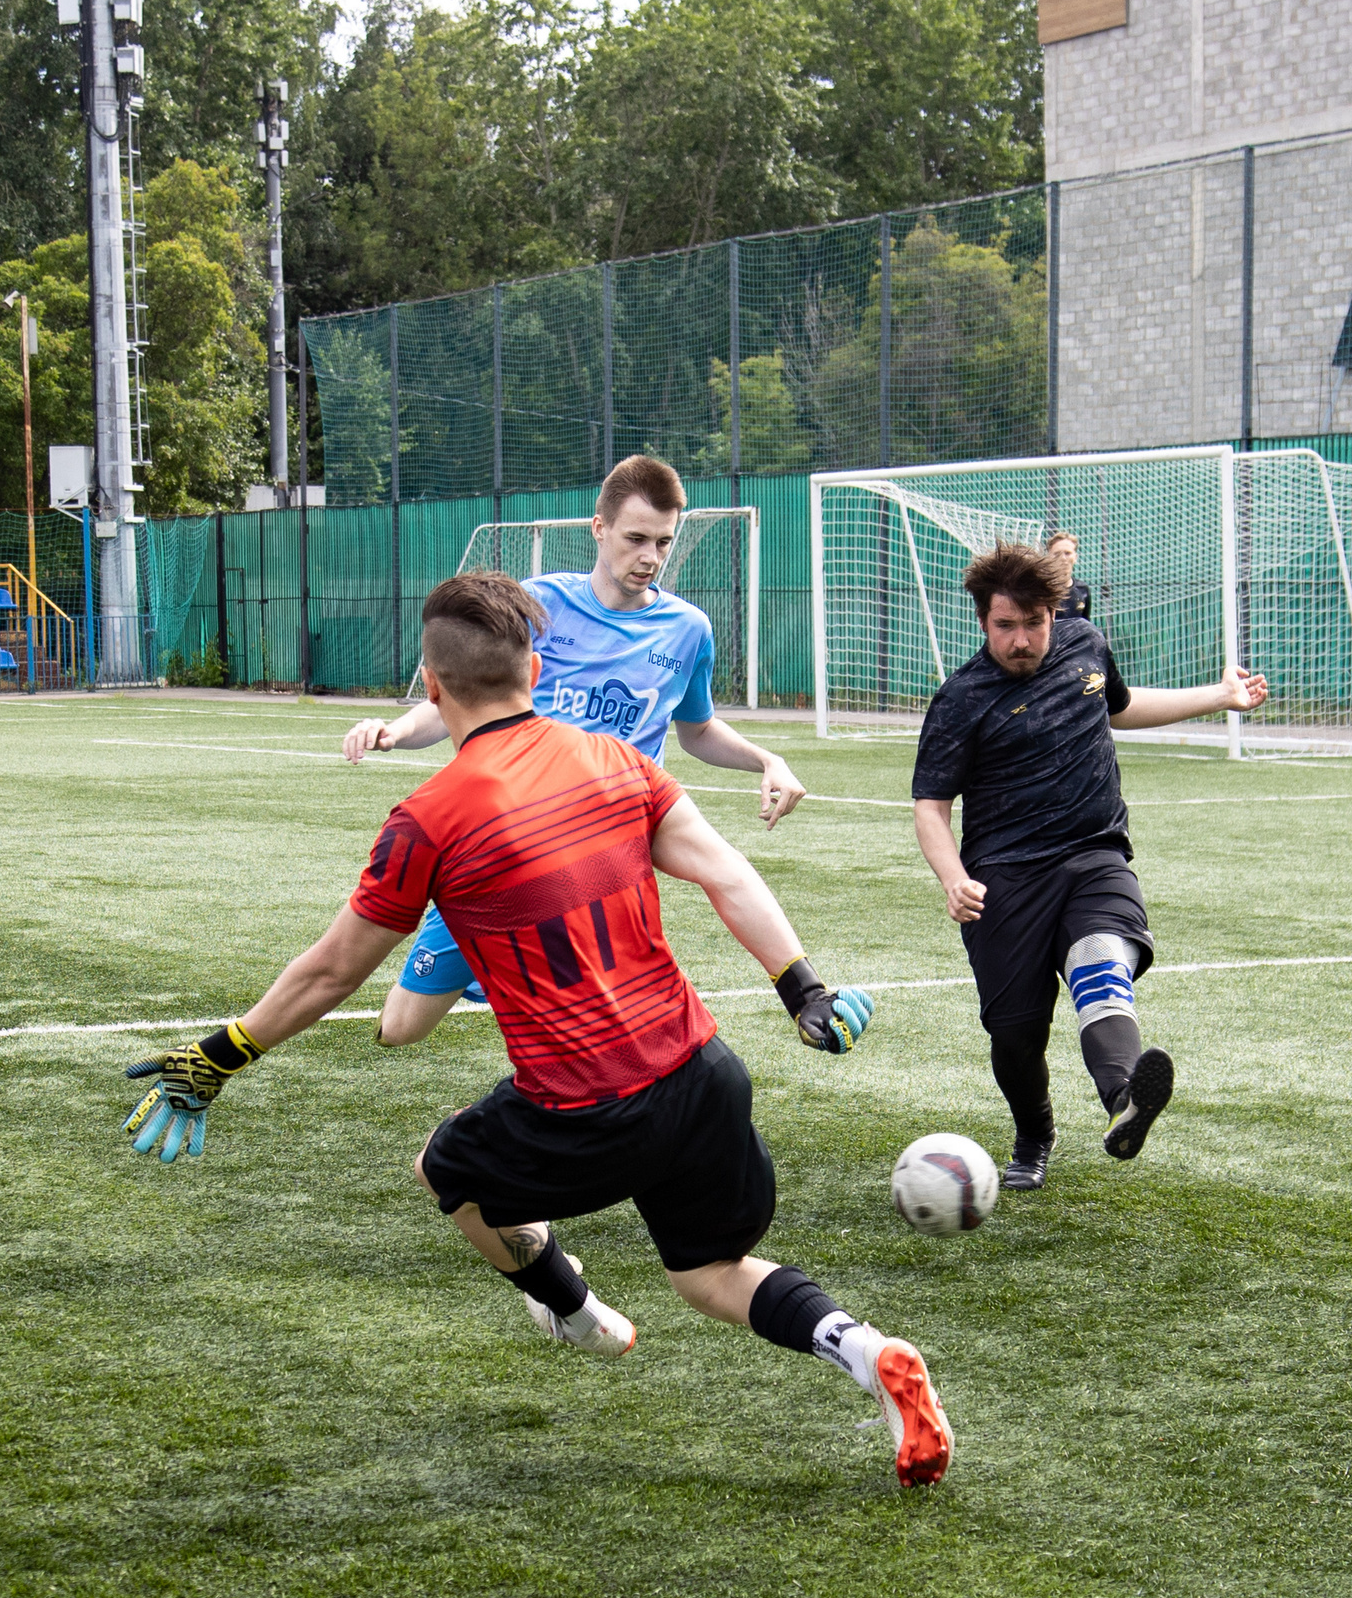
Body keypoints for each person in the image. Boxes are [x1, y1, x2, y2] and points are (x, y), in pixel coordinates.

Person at [119, 571, 954, 1489]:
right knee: (713, 1270)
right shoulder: (622, 763)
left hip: (585, 1108)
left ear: (430, 687)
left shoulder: (426, 819)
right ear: (537, 664)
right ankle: (865, 1350)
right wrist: (804, 990)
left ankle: (574, 1308)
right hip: (703, 1071)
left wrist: (221, 1053)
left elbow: (331, 970)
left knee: (446, 1168)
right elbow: (727, 874)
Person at [340, 456, 808, 1047]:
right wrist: (395, 732)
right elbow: (457, 699)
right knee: (399, 1029)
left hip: (610, 837)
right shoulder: (539, 605)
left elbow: (697, 729)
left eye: (664, 542)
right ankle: (489, 966)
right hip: (509, 834)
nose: (650, 557)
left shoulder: (688, 629)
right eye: (636, 538)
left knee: (606, 1022)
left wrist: (767, 759)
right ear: (599, 529)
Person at [911, 543, 1267, 1192]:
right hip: (1004, 875)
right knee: (1016, 1035)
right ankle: (1034, 1134)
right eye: (1005, 626)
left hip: (1094, 852)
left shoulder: (1086, 643)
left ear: (1055, 612)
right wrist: (951, 876)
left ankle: (1126, 1094)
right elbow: (931, 806)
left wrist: (1219, 695)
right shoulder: (962, 697)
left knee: (1101, 957)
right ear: (982, 621)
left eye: (1034, 623)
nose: (1022, 639)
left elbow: (1119, 707)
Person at [1045, 531, 1092, 620]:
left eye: (1067, 553)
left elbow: (1085, 625)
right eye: (1057, 554)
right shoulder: (1041, 589)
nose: (1063, 558)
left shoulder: (1082, 589)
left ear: (1075, 557)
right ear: (1049, 557)